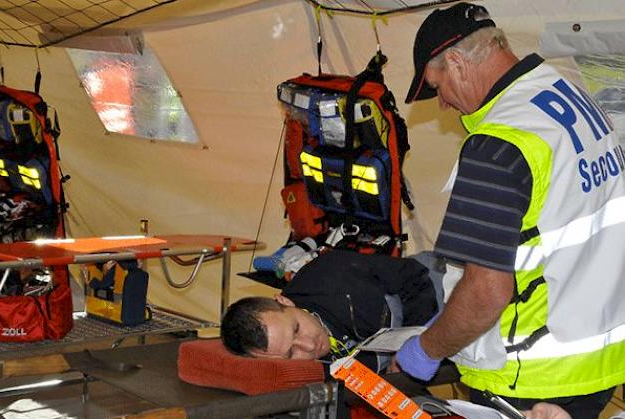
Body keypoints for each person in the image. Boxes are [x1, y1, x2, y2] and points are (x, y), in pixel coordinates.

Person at [395, 2, 625, 418]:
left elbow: (487, 292)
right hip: (597, 363)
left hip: (528, 376)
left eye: (436, 86)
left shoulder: (498, 144)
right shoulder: (566, 95)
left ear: (457, 63)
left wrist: (426, 350)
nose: (443, 104)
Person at [221, 249, 439, 373]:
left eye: (296, 329)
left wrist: (416, 348)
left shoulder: (333, 273)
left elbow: (414, 277)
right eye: (290, 353)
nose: (309, 345)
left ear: (285, 301)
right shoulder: (291, 372)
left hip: (439, 292)